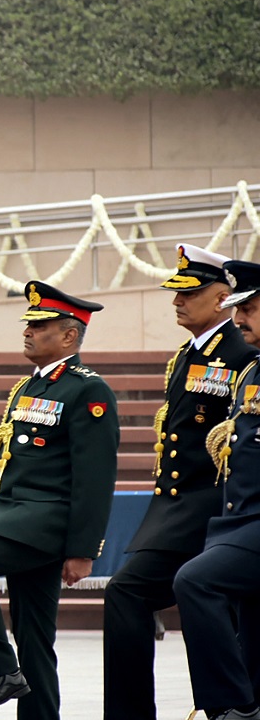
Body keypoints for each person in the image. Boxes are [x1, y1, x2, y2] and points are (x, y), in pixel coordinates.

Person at [0, 281, 119, 720]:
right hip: (14, 518)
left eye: (40, 325)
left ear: (69, 336)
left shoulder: (87, 390)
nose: (28, 331)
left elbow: (95, 477)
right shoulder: (29, 387)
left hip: (46, 522)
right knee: (34, 636)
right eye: (28, 323)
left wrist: (82, 550)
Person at [103, 244, 253, 720]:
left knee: (194, 598)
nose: (177, 301)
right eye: (175, 293)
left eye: (190, 294)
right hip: (174, 507)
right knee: (135, 593)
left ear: (221, 299)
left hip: (213, 505)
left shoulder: (240, 354)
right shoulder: (186, 356)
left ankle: (228, 707)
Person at [173, 259, 260, 720]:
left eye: (247, 308)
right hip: (238, 518)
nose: (238, 317)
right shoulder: (251, 373)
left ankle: (230, 706)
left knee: (195, 580)